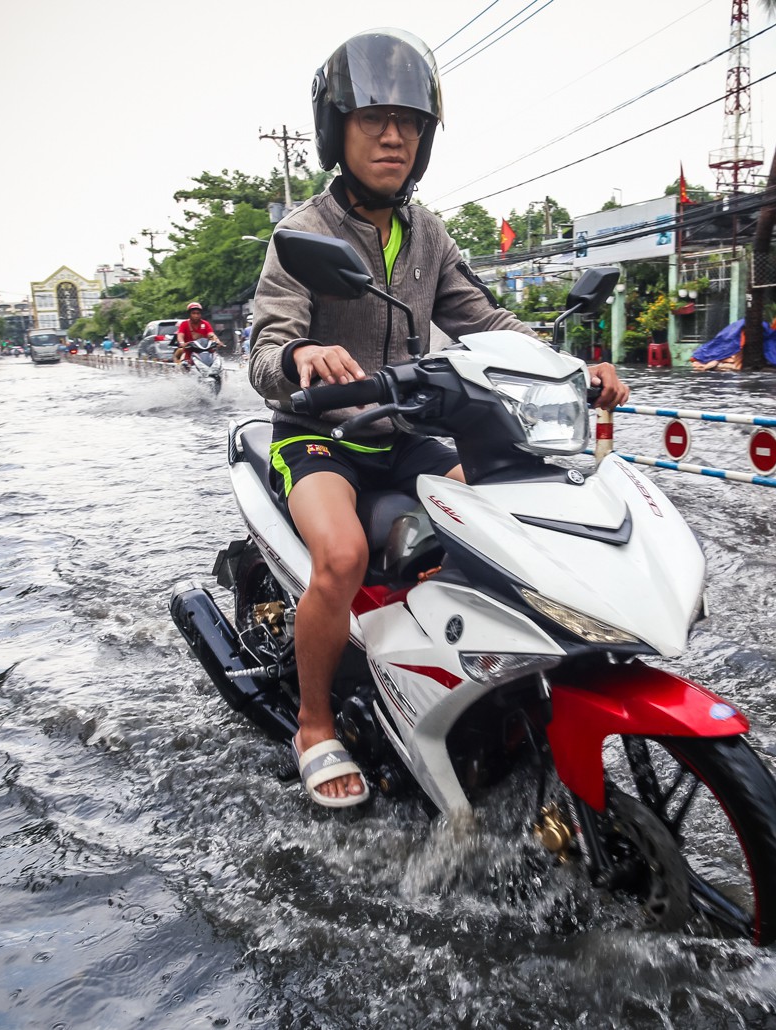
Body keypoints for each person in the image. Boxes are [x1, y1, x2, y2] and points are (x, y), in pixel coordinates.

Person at [247, 27, 628, 808]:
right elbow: (265, 351)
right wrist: (302, 356)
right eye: (374, 119)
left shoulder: (428, 233)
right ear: (337, 128)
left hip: (405, 432)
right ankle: (315, 725)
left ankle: (466, 686)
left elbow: (485, 320)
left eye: (410, 123)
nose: (394, 136)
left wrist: (571, 368)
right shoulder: (303, 234)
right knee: (342, 556)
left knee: (509, 525)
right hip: (319, 437)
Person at [174, 302, 221, 368]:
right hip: (190, 351)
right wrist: (182, 343)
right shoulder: (184, 324)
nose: (196, 315)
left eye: (198, 313)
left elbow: (211, 334)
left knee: (217, 362)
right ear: (189, 314)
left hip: (206, 351)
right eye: (193, 313)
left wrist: (217, 341)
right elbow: (180, 335)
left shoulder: (205, 323)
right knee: (185, 364)